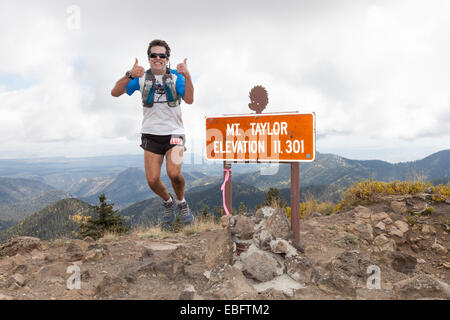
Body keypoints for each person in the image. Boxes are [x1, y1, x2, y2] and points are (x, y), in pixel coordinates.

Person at [111, 39, 194, 230]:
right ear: (149, 58)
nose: (158, 58)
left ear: (167, 58)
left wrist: (187, 76)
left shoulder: (176, 77)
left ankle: (181, 203)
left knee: (174, 173)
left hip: (175, 133)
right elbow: (115, 92)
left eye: (162, 55)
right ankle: (168, 201)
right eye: (153, 55)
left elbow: (189, 99)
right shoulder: (140, 78)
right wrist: (128, 75)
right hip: (151, 134)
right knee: (152, 180)